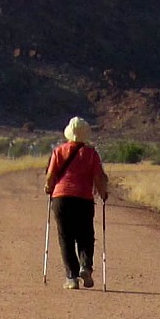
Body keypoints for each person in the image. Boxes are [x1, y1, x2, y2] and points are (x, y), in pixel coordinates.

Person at [44, 116, 109, 289]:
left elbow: (50, 177)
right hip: (83, 199)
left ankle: (71, 278)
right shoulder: (91, 154)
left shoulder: (59, 151)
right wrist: (103, 194)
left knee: (66, 238)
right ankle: (85, 267)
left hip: (61, 199)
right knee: (85, 235)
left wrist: (48, 188)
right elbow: (99, 178)